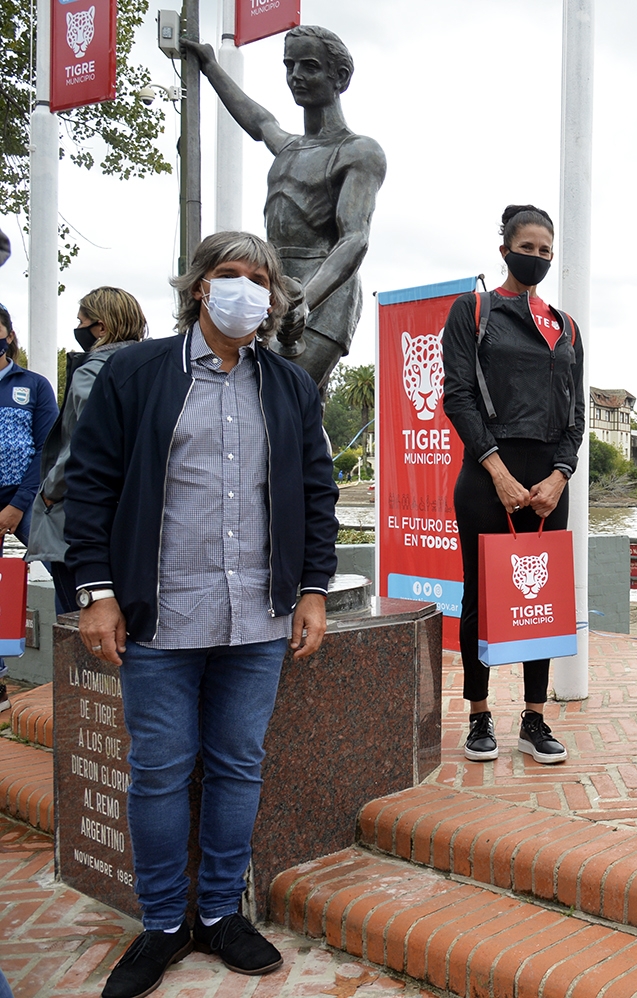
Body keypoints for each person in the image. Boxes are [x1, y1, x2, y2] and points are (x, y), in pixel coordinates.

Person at [66, 231, 339, 998]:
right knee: (157, 773)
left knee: (237, 765)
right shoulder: (135, 372)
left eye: (260, 279)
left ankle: (219, 914)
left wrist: (313, 588)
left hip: (257, 614)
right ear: (198, 287)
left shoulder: (286, 385)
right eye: (230, 274)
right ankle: (161, 924)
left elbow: (315, 494)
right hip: (158, 613)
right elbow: (91, 484)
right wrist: (95, 591)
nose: (245, 290)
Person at [443, 204, 585, 766]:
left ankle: (534, 718)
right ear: (504, 248)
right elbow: (458, 395)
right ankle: (479, 714)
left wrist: (560, 475)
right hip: (486, 475)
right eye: (528, 248)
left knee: (541, 599)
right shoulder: (473, 310)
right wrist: (497, 470)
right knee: (479, 595)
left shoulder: (565, 325)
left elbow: (575, 414)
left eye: (546, 251)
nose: (537, 258)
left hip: (551, 479)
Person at [188, 26, 386, 390]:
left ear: (339, 76)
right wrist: (211, 66)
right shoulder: (290, 146)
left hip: (323, 292)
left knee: (280, 394)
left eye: (308, 66)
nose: (296, 76)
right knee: (273, 398)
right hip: (273, 285)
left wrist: (305, 300)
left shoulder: (358, 151)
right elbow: (260, 122)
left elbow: (355, 238)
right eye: (289, 65)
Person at [27, 287, 148, 614]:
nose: (77, 326)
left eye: (82, 320)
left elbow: (81, 445)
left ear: (101, 328)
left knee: (74, 616)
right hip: (139, 518)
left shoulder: (94, 370)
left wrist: (50, 491)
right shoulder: (156, 369)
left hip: (83, 514)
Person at [0, 303, 59, 714]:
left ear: (8, 334)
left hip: (26, 499)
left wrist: (18, 505)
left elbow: (47, 448)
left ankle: (91, 677)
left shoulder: (33, 385)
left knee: (68, 571)